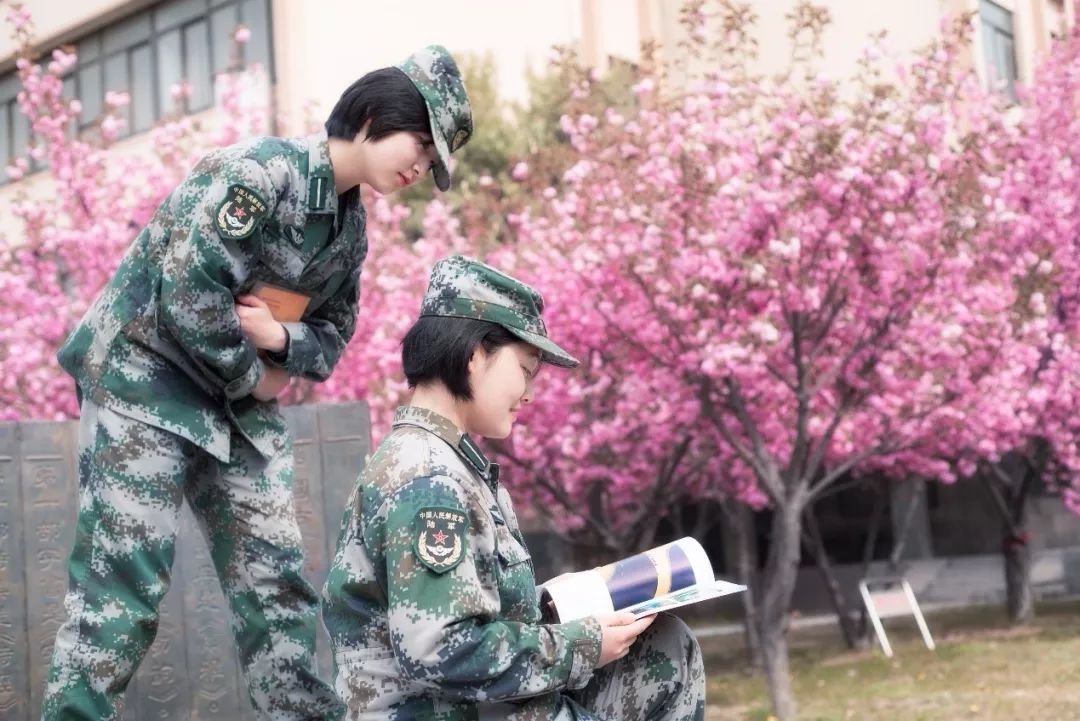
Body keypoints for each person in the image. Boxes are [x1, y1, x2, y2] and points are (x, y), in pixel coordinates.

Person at [42, 46, 472, 721]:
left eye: (433, 160)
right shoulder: (258, 174)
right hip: (142, 381)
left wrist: (279, 343)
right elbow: (188, 292)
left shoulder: (350, 231)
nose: (421, 166)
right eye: (420, 142)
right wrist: (256, 374)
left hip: (236, 405)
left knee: (278, 585)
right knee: (122, 588)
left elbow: (331, 338)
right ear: (369, 116)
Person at [321, 255, 706, 720]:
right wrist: (582, 644)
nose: (529, 394)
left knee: (663, 648)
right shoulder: (430, 478)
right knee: (665, 658)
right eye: (525, 370)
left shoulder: (441, 462)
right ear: (475, 354)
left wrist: (547, 603)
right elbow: (442, 648)